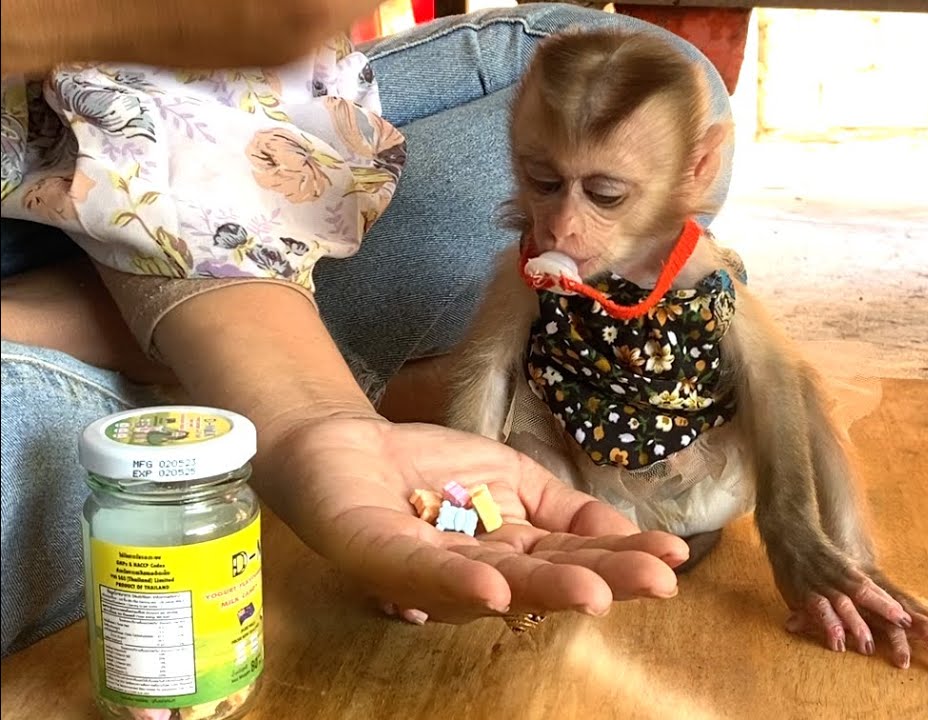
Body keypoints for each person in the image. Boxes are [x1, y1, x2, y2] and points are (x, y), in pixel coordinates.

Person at [0, 0, 734, 657]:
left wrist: (314, 416)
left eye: (593, 195)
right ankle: (235, 344)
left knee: (655, 86)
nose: (567, 222)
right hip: (113, 123)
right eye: (550, 188)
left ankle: (160, 308)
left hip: (142, 112)